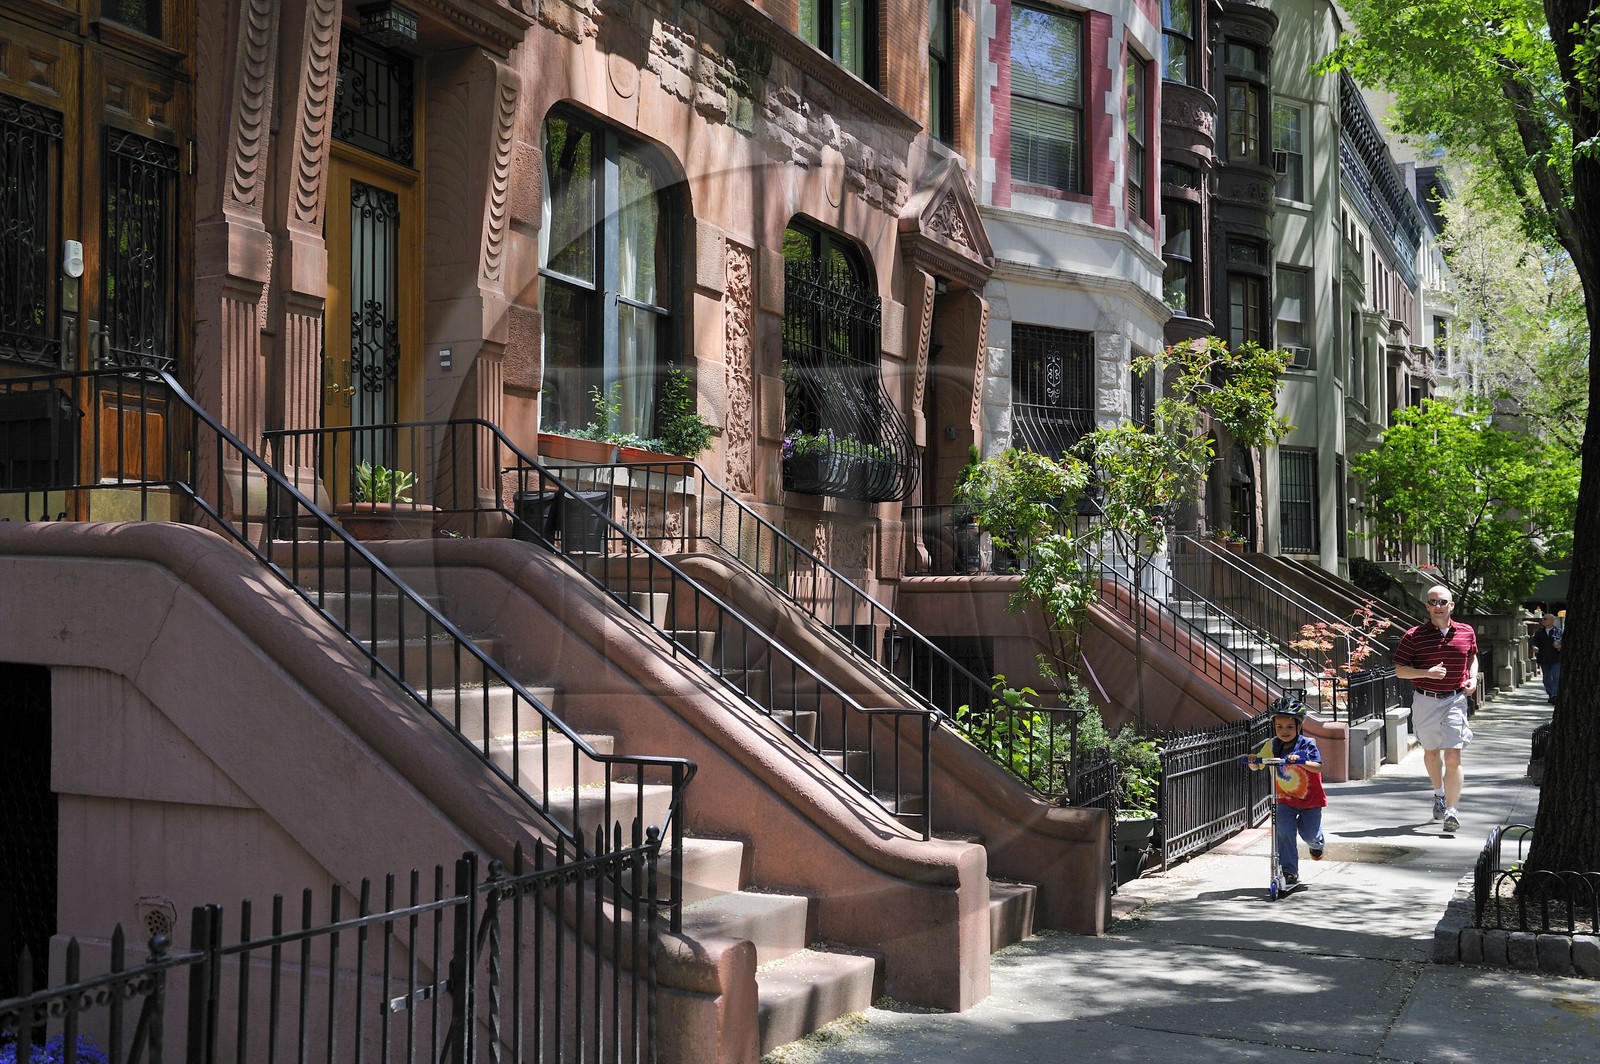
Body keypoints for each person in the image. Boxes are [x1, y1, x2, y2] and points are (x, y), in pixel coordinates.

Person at [1393, 585, 1478, 833]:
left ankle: (1451, 810)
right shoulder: (1414, 635)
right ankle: (1439, 794)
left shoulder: (1466, 632)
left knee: (1453, 755)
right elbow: (1399, 670)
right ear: (1427, 606)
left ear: (1451, 605)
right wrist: (1425, 673)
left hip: (1455, 699)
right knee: (1432, 754)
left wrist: (1473, 679)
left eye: (1443, 602)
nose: (1438, 606)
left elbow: (1472, 657)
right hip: (1425, 700)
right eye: (1433, 602)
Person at [1246, 694, 1326, 891]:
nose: (1284, 731)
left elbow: (1318, 767)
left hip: (1310, 800)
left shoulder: (1308, 744)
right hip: (1284, 799)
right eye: (1279, 726)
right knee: (1283, 831)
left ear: (1299, 726)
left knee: (1310, 835)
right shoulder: (1272, 745)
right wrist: (1253, 762)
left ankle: (1317, 845)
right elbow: (1259, 765)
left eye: (1290, 726)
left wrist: (1301, 761)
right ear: (1274, 726)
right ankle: (1288, 871)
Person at [1531, 610, 1563, 703]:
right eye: (1543, 619)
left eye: (1545, 619)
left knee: (1556, 676)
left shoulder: (1559, 631)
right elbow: (1534, 643)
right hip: (1544, 659)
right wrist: (1535, 647)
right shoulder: (1539, 632)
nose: (1543, 620)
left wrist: (1560, 645)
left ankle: (1554, 694)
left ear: (1552, 621)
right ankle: (1551, 694)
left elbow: (1563, 642)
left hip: (1556, 658)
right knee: (1546, 678)